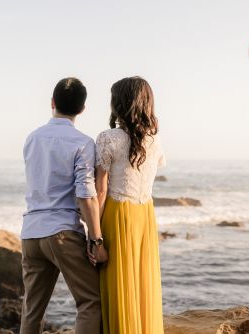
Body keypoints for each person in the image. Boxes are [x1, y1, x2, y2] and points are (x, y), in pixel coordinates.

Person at [20, 77, 108, 334]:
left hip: (31, 233)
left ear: (52, 102)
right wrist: (96, 240)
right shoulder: (82, 142)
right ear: (82, 109)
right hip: (61, 233)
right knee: (91, 301)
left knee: (32, 311)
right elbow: (86, 194)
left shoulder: (32, 139)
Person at [93, 76, 165, 333]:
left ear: (119, 103)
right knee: (142, 282)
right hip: (144, 214)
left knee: (119, 284)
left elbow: (100, 191)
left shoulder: (108, 138)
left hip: (117, 214)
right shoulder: (155, 140)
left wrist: (95, 236)